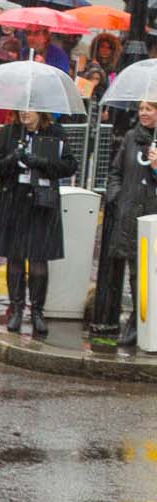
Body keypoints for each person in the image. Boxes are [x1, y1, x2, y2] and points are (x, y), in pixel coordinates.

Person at [0, 108, 76, 339]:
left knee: (38, 260)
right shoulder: (9, 132)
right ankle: (15, 309)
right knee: (14, 258)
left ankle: (37, 312)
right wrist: (13, 158)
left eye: (30, 110)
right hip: (13, 202)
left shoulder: (55, 132)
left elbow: (69, 166)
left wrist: (42, 162)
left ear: (41, 111)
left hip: (41, 203)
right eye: (22, 109)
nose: (25, 114)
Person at [92, 101, 156, 351]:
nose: (143, 113)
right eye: (141, 108)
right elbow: (116, 172)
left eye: (149, 108)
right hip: (131, 216)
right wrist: (117, 198)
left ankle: (145, 323)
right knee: (136, 272)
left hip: (154, 216)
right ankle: (137, 323)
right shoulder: (131, 137)